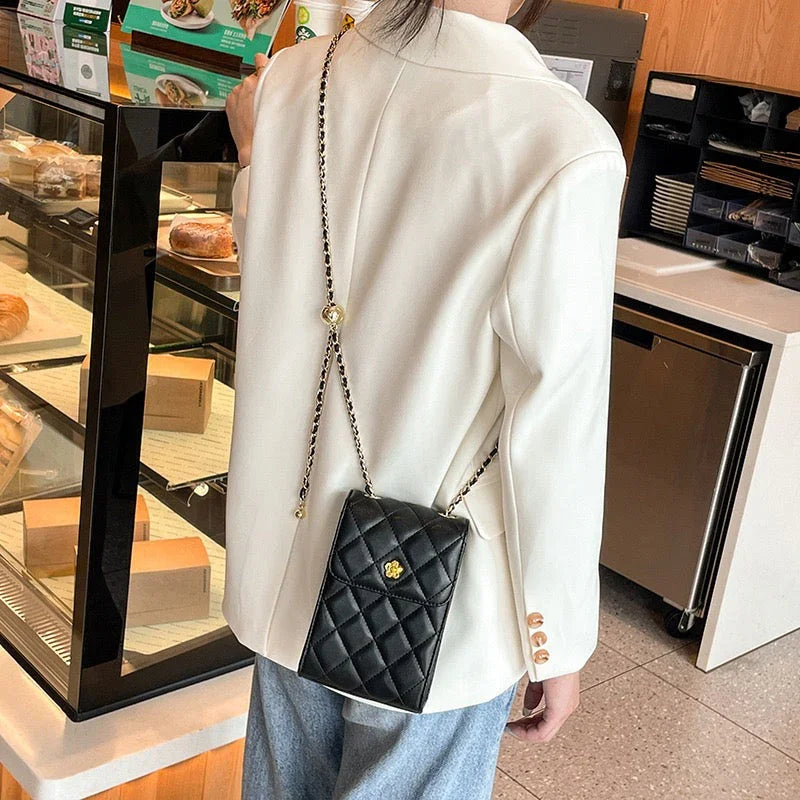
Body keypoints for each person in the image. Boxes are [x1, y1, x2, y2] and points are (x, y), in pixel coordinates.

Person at [224, 0, 626, 795]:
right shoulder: (563, 143)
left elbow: (278, 281)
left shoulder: (299, 78)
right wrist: (557, 642)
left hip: (285, 568)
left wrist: (251, 158)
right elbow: (558, 431)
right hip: (434, 604)